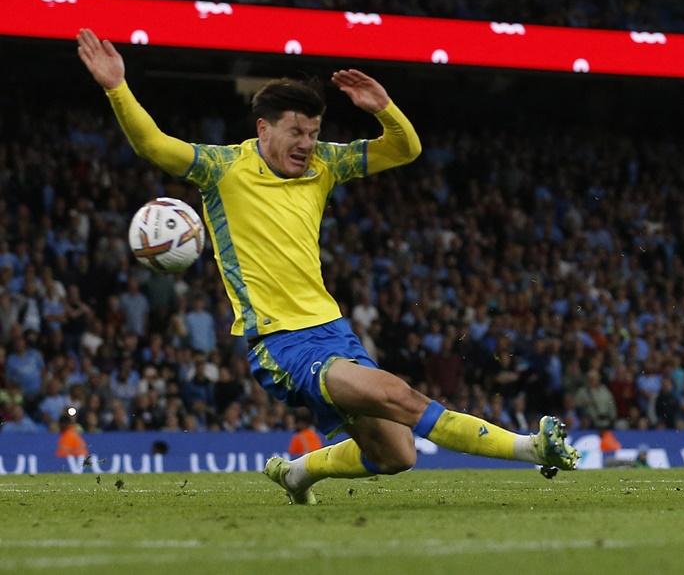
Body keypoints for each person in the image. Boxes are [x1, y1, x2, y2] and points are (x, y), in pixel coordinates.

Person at [76, 28, 578, 505]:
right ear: (263, 128)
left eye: (314, 132)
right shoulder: (222, 169)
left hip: (333, 331)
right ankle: (532, 449)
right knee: (397, 394)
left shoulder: (324, 166)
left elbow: (405, 149)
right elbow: (154, 145)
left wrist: (385, 110)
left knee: (396, 455)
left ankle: (297, 472)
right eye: (296, 131)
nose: (306, 144)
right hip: (281, 341)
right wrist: (118, 87)